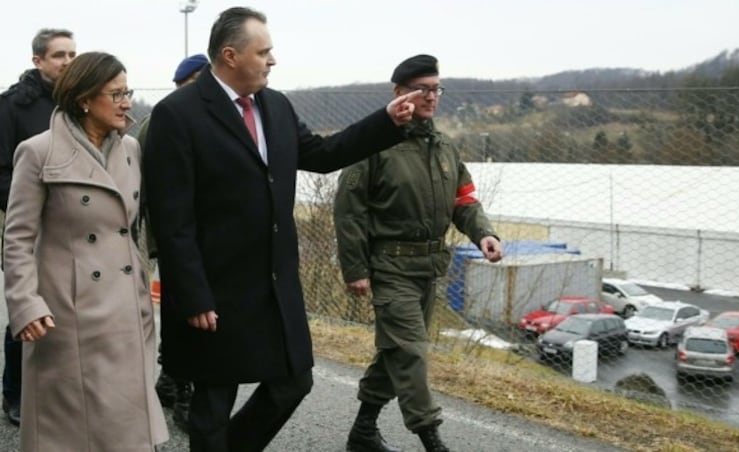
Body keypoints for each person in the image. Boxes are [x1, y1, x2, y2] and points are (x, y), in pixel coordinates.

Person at [142, 7, 421, 452]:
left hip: (273, 283)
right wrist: (192, 295)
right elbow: (173, 218)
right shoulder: (178, 114)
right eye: (264, 51)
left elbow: (324, 154)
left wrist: (385, 120)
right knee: (213, 401)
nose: (273, 60)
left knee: (295, 381)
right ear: (230, 55)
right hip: (214, 286)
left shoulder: (276, 105)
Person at [333, 54, 503, 452]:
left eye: (436, 89)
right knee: (411, 353)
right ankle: (433, 441)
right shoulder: (373, 144)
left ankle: (362, 431)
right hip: (388, 267)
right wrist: (354, 268)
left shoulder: (443, 147)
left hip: (429, 268)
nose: (431, 97)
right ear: (399, 93)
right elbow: (349, 211)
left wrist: (484, 234)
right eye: (421, 89)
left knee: (396, 352)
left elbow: (464, 200)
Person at [2, 51, 168, 451]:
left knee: (126, 429)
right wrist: (25, 303)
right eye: (116, 93)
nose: (127, 101)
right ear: (84, 100)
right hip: (68, 314)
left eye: (127, 91)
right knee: (72, 434)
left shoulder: (131, 149)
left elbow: (130, 228)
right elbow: (18, 238)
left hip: (128, 308)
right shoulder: (38, 151)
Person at [0, 27, 76, 427]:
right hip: (28, 225)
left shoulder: (77, 102)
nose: (67, 61)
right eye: (59, 55)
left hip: (72, 227)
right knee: (25, 307)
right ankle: (14, 392)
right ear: (38, 61)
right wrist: (28, 206)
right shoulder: (12, 106)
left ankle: (60, 389)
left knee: (67, 307)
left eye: (71, 54)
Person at [136, 52, 209, 433]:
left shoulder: (210, 119)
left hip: (210, 240)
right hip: (175, 239)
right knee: (184, 317)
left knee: (199, 316)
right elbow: (143, 188)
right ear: (188, 81)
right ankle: (183, 392)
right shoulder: (161, 120)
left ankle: (169, 379)